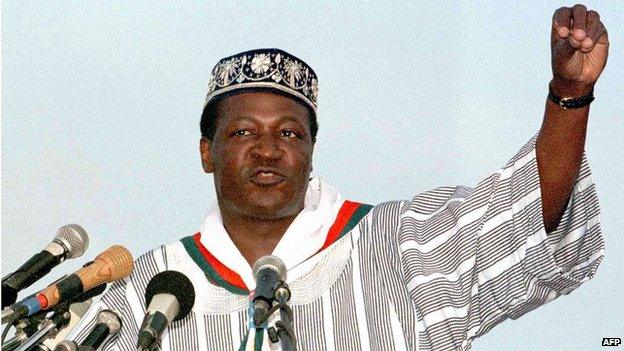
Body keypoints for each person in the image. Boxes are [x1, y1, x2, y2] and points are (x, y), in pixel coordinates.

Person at [70, 5, 608, 350]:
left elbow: (532, 209)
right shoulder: (149, 290)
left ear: (310, 151)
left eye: (289, 134)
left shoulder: (403, 244)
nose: (268, 150)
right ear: (206, 152)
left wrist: (569, 93)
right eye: (242, 134)